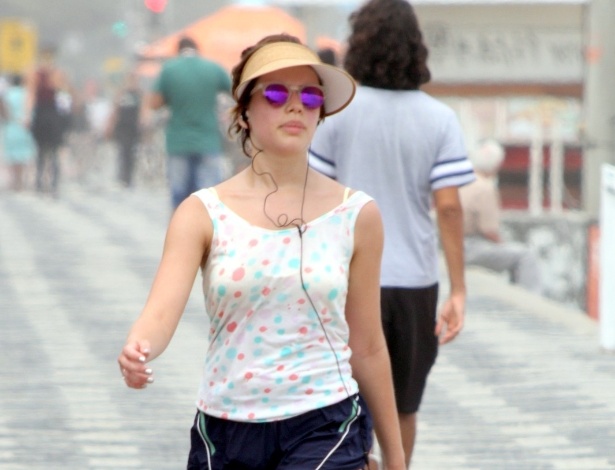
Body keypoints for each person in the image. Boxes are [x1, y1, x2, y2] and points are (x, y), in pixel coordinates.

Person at [118, 34, 405, 470]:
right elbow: (159, 313)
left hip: (326, 420)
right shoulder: (201, 212)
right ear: (244, 110)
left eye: (310, 96)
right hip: (226, 427)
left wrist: (396, 458)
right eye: (275, 94)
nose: (295, 106)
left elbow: (367, 345)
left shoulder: (357, 214)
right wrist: (138, 348)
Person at [308, 0, 475, 466]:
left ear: (357, 44)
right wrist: (459, 289)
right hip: (414, 280)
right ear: (416, 46)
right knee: (403, 402)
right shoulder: (439, 118)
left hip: (345, 276)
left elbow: (315, 199)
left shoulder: (336, 116)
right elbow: (448, 208)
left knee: (347, 398)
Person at [149, 35, 232, 210]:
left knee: (180, 196)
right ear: (197, 49)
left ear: (178, 50)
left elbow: (154, 103)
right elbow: (235, 91)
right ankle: (207, 226)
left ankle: (182, 226)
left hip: (178, 141)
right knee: (209, 197)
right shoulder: (213, 68)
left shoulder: (169, 69)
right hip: (208, 140)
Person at [460, 139, 543, 294]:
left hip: (453, 245)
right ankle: (529, 298)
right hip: (471, 248)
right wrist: (502, 244)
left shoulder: (461, 181)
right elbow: (489, 231)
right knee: (524, 255)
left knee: (512, 254)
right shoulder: (485, 187)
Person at [27, 46, 72, 196]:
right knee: (40, 151)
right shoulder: (35, 74)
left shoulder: (58, 73)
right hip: (41, 112)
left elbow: (63, 92)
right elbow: (31, 95)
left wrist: (55, 77)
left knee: (54, 151)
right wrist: (28, 115)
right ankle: (39, 182)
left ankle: (54, 183)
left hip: (54, 113)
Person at [106, 71, 144, 188]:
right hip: (122, 126)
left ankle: (129, 177)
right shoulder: (121, 94)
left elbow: (143, 111)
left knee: (132, 153)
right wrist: (110, 125)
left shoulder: (139, 95)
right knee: (123, 151)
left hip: (133, 127)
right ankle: (122, 176)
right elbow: (115, 110)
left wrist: (143, 125)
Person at [1, 74, 36, 191]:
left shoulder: (7, 93)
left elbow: (4, 110)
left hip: (11, 126)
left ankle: (14, 180)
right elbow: (31, 110)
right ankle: (21, 180)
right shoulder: (27, 94)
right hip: (24, 126)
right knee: (23, 155)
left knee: (12, 155)